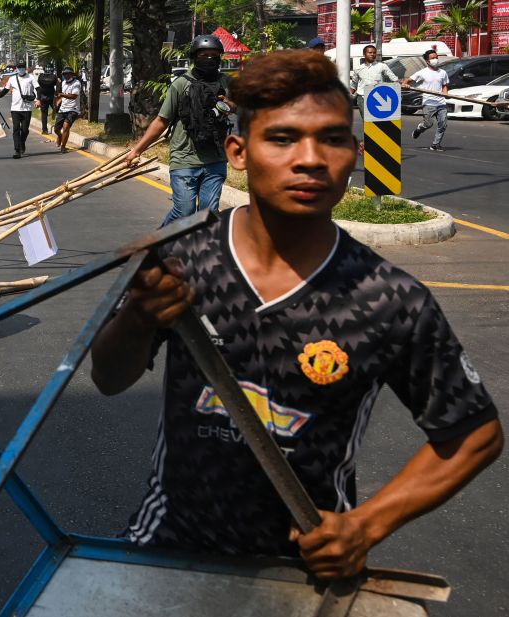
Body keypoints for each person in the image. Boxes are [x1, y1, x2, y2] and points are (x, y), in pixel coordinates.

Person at [90, 50, 502, 578]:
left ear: (354, 153)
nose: (309, 159)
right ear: (238, 152)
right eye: (282, 139)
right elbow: (108, 376)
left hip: (310, 569)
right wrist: (139, 316)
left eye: (331, 139)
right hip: (166, 545)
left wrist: (366, 526)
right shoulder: (183, 261)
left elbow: (474, 433)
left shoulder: (389, 298)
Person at [125, 34, 233, 224]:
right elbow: (161, 121)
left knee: (208, 215)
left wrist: (230, 105)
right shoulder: (181, 84)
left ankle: (196, 252)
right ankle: (159, 243)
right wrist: (137, 150)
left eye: (214, 55)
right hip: (184, 159)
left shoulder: (227, 82)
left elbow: (247, 106)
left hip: (216, 159)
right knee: (184, 212)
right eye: (204, 55)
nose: (209, 59)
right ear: (194, 57)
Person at [350, 44, 399, 152]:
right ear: (364, 54)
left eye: (374, 52)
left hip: (379, 99)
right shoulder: (358, 68)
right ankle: (368, 145)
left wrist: (401, 84)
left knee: (379, 123)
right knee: (368, 122)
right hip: (363, 98)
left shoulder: (382, 66)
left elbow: (394, 79)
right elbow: (354, 85)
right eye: (370, 52)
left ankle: (365, 143)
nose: (372, 54)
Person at [0, 60, 39, 158]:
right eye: (19, 67)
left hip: (27, 108)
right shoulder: (12, 79)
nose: (21, 69)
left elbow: (38, 89)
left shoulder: (31, 77)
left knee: (25, 130)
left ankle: (22, 143)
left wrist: (38, 100)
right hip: (15, 108)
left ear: (25, 68)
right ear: (16, 69)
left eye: (22, 67)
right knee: (16, 129)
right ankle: (17, 150)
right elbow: (5, 91)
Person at [404, 50, 449, 152]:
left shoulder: (443, 73)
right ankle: (419, 129)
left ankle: (435, 145)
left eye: (436, 57)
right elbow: (407, 81)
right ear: (427, 61)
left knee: (443, 124)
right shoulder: (422, 72)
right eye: (432, 58)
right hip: (428, 102)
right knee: (428, 123)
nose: (435, 60)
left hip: (441, 102)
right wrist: (406, 84)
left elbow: (444, 85)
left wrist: (445, 94)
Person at [53, 67, 82, 154]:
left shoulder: (76, 83)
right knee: (56, 129)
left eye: (68, 73)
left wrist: (62, 94)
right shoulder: (63, 83)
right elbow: (61, 96)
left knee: (66, 127)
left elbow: (74, 96)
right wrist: (58, 101)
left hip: (73, 109)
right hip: (63, 109)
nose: (66, 75)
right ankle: (60, 136)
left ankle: (63, 147)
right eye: (64, 74)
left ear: (71, 74)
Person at [36, 65, 58, 136]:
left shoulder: (41, 76)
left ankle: (44, 130)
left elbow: (38, 85)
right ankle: (58, 127)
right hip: (52, 96)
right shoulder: (54, 76)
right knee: (57, 111)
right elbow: (56, 84)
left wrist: (38, 98)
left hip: (43, 97)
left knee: (44, 114)